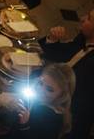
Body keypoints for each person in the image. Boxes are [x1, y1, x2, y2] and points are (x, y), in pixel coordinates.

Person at [39, 10, 94, 139]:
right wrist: (52, 39)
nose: (82, 18)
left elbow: (80, 107)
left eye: (89, 19)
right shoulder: (83, 38)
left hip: (63, 119)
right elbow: (58, 54)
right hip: (49, 91)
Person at [0, 63, 75, 139]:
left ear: (62, 95)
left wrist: (24, 124)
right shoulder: (37, 97)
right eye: (40, 83)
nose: (40, 90)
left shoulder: (54, 120)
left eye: (49, 89)